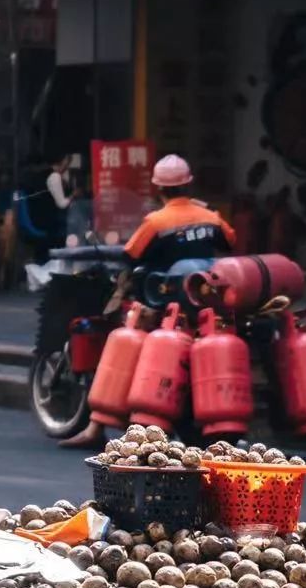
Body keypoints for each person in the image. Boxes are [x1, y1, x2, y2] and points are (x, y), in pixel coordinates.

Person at [58, 156, 235, 450]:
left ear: (158, 189)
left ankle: (95, 426)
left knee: (121, 337)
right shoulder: (211, 218)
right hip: (207, 303)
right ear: (188, 185)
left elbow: (130, 254)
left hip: (164, 304)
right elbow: (231, 241)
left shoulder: (156, 222)